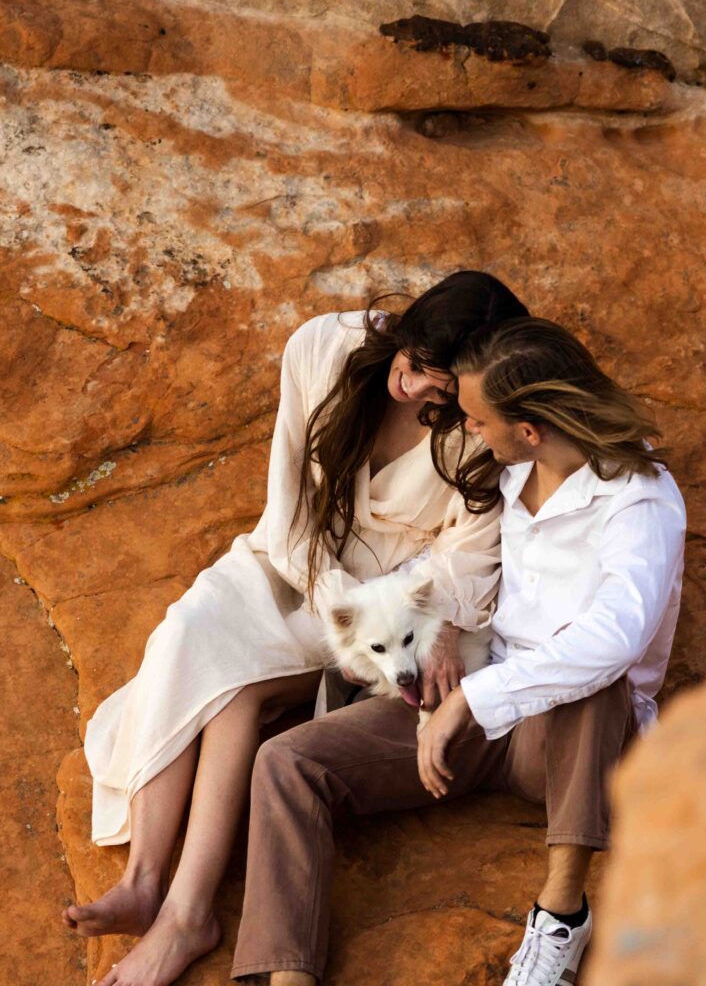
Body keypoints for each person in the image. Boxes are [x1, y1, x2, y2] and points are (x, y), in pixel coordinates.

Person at [63, 271, 529, 986]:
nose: (410, 392)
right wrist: (333, 591)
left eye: (436, 387)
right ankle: (147, 883)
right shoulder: (323, 348)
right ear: (403, 334)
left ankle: (181, 908)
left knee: (235, 688)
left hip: (386, 603)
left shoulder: (478, 423)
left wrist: (430, 621)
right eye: (410, 369)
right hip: (292, 561)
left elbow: (469, 555)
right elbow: (287, 518)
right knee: (190, 629)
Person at [229, 316, 686, 986]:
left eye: (476, 419)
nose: (464, 429)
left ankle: (560, 917)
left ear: (528, 430)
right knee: (287, 761)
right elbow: (455, 564)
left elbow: (616, 638)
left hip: (563, 742)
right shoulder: (507, 472)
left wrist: (471, 699)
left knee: (598, 673)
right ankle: (287, 974)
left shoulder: (637, 500)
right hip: (474, 702)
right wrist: (444, 642)